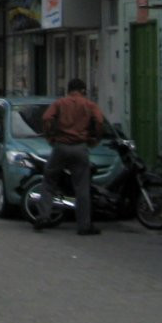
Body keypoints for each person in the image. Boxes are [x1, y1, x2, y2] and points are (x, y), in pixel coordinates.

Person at [40, 78, 106, 236]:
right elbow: (99, 121)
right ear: (83, 90)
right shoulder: (89, 105)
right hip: (80, 147)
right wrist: (96, 138)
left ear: (69, 90)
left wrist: (50, 136)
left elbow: (46, 118)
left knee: (49, 181)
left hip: (61, 147)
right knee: (82, 187)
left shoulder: (60, 103)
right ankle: (84, 226)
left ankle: (43, 216)